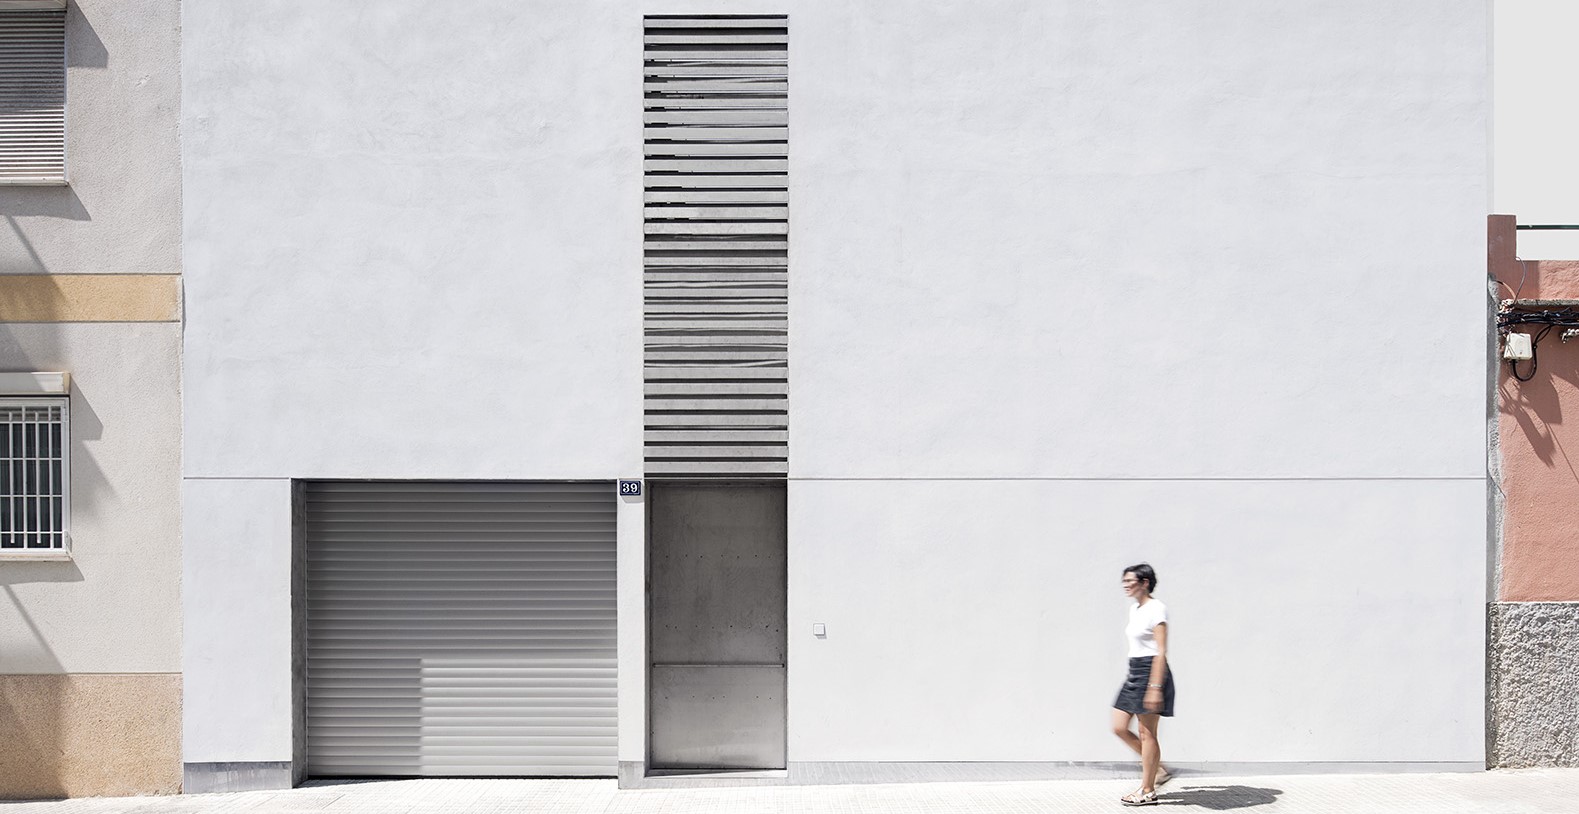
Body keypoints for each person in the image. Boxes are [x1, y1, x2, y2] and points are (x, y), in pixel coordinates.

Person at [1111, 562, 1174, 807]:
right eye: (1124, 581)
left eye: (1130, 581)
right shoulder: (1135, 609)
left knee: (1147, 734)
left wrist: (1155, 687)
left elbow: (1161, 651)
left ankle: (1147, 790)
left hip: (1151, 671)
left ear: (1144, 582)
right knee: (1118, 726)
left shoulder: (1157, 609)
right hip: (1135, 671)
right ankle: (1158, 768)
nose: (1125, 585)